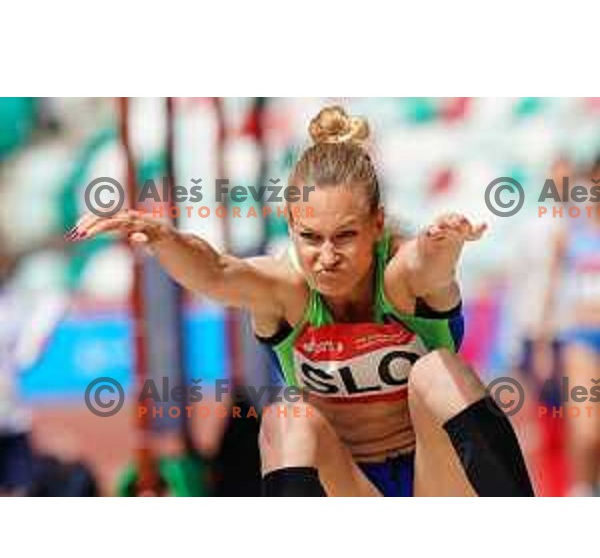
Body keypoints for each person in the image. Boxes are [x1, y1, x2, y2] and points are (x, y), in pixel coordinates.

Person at [67, 105, 534, 497]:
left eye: (345, 237)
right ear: (290, 225)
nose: (326, 257)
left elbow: (428, 264)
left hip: (437, 483)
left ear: (376, 225)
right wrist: (161, 235)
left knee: (437, 370)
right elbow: (216, 271)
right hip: (354, 489)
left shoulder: (398, 277)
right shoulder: (286, 288)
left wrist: (445, 241)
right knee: (284, 418)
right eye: (310, 237)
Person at [539, 156, 600, 496]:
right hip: (582, 340)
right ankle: (581, 492)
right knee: (587, 430)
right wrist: (545, 343)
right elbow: (551, 290)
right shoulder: (570, 232)